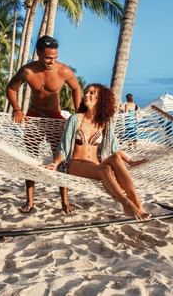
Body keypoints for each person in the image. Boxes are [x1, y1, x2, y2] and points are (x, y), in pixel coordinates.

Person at [45, 84, 151, 221]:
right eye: (86, 92)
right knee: (105, 169)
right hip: (74, 164)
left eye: (92, 93)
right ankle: (127, 204)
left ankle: (137, 201)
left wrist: (131, 161)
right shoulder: (75, 119)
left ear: (101, 99)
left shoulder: (104, 123)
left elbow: (113, 148)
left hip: (95, 164)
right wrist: (55, 163)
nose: (87, 95)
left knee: (115, 158)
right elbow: (63, 147)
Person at [6, 35, 82, 214]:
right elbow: (11, 88)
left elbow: (76, 88)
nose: (51, 61)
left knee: (61, 159)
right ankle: (30, 201)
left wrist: (79, 111)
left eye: (54, 58)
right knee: (30, 159)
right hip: (34, 117)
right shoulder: (28, 72)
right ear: (39, 53)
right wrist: (17, 109)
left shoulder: (63, 70)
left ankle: (64, 201)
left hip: (55, 118)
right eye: (48, 58)